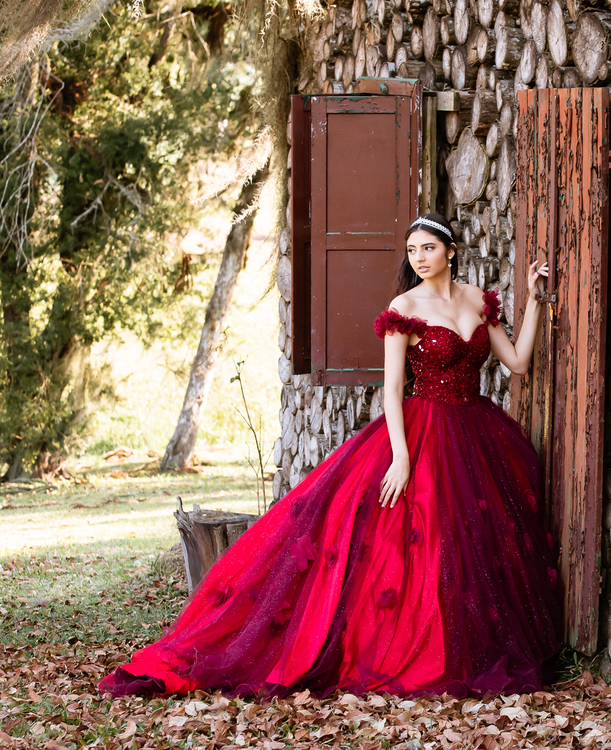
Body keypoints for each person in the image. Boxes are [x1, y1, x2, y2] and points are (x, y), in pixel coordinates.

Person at [100, 212, 562, 700]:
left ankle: (468, 646)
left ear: (450, 250)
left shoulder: (476, 299)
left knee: (473, 543)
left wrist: (534, 300)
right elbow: (391, 393)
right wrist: (401, 458)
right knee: (423, 542)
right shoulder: (404, 307)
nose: (419, 258)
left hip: (475, 432)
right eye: (412, 251)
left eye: (427, 248)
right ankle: (424, 649)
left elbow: (518, 362)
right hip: (421, 432)